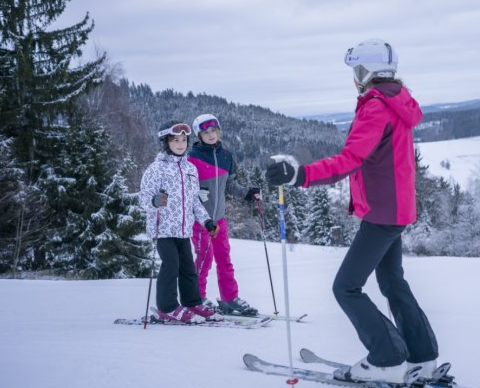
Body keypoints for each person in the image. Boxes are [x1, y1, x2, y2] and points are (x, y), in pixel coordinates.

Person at [265, 39, 439, 383]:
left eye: (356, 71)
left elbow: (349, 159)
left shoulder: (376, 105)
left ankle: (387, 358)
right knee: (391, 281)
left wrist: (299, 174)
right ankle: (423, 356)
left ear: (366, 71)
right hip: (397, 210)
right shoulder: (397, 100)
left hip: (381, 214)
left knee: (345, 287)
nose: (354, 78)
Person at [140, 120, 222, 324]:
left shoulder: (190, 169)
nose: (180, 144)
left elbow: (194, 201)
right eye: (175, 140)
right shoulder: (156, 169)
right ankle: (167, 307)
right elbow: (143, 199)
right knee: (171, 265)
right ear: (166, 142)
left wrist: (207, 221)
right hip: (163, 228)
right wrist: (154, 201)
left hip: (183, 229)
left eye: (183, 140)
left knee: (187, 267)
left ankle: (192, 302)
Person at [188, 113, 261, 315]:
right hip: (201, 220)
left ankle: (229, 299)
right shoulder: (191, 158)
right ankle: (196, 298)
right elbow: (184, 188)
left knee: (224, 259)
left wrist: (247, 192)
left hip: (220, 218)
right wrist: (195, 191)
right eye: (205, 132)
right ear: (198, 135)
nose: (211, 135)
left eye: (214, 130)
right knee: (204, 258)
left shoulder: (226, 156)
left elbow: (229, 185)